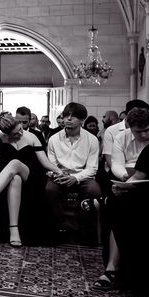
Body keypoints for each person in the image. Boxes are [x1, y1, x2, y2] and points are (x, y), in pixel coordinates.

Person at [0, 112, 62, 246]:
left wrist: (58, 170)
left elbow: (45, 162)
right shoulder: (1, 138)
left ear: (20, 124)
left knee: (15, 163)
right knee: (15, 179)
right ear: (7, 134)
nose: (20, 134)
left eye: (20, 129)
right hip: (5, 178)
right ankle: (14, 230)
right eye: (15, 134)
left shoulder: (32, 137)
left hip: (30, 175)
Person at [98, 103, 149, 297]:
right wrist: (123, 186)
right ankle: (114, 268)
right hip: (148, 193)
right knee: (119, 204)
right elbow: (138, 176)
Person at [45, 102, 102, 239]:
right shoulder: (54, 139)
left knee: (94, 190)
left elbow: (92, 168)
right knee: (49, 189)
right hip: (60, 175)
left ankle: (85, 228)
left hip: (82, 176)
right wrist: (59, 174)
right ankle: (59, 226)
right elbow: (51, 164)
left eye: (73, 117)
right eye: (66, 116)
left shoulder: (92, 140)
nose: (68, 119)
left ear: (82, 120)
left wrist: (76, 178)